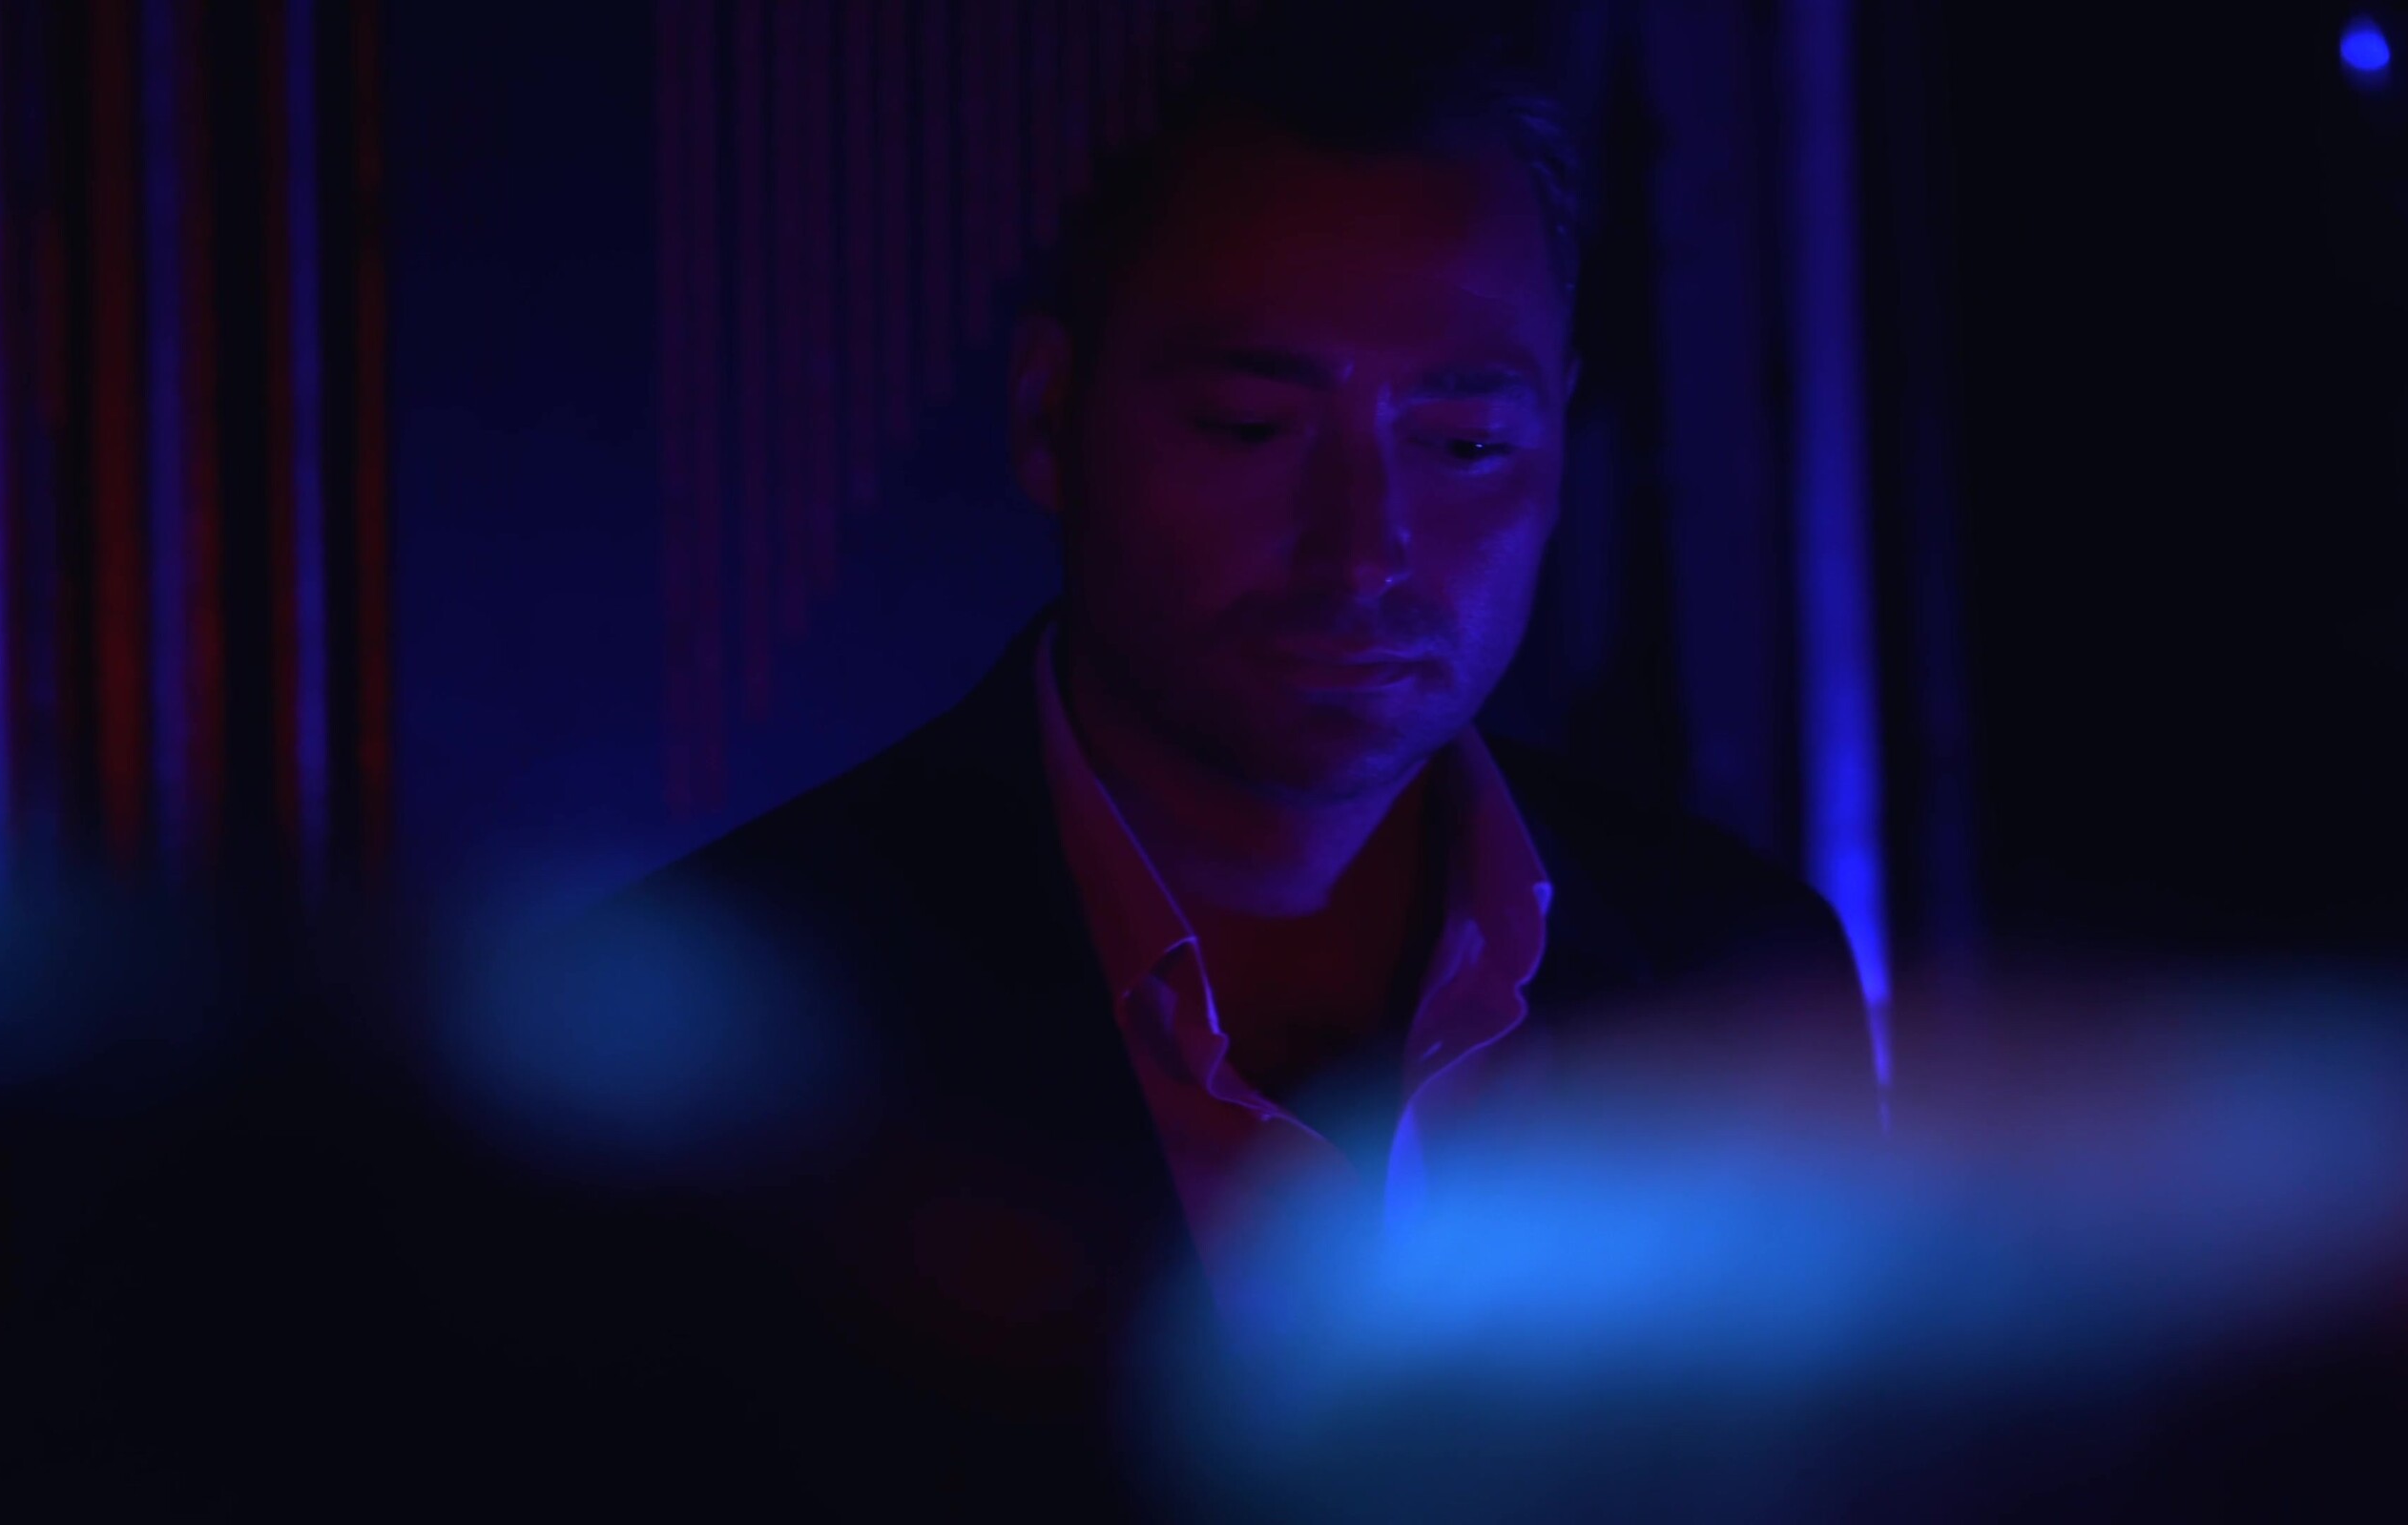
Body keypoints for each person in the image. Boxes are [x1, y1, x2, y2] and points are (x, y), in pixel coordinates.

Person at [580, 0, 1874, 1506]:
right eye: (1251, 426)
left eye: (1465, 444)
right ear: (1051, 415)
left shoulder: (1736, 979)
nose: (1365, 549)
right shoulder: (725, 1034)